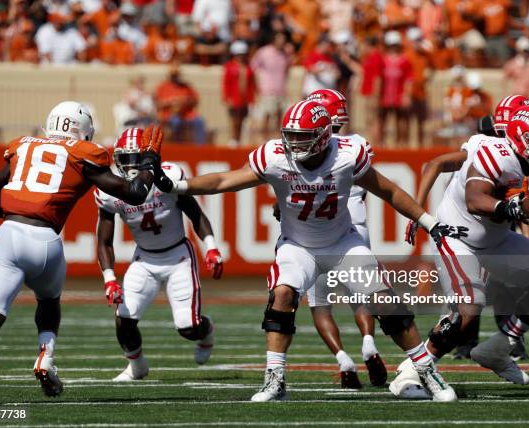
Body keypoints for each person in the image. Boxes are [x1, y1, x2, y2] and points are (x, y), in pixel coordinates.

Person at [153, 100, 469, 402]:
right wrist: (177, 186)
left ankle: (426, 371)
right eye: (290, 136)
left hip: (343, 243)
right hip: (297, 245)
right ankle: (274, 379)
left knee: (385, 302)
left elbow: (389, 191)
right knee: (282, 296)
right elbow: (225, 180)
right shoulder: (275, 156)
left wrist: (427, 220)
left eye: (301, 137)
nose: (293, 144)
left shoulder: (347, 155)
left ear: (322, 136)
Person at [0, 102, 162, 406]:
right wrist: (148, 166)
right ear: (84, 131)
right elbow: (134, 193)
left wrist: (17, 212)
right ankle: (46, 357)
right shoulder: (84, 153)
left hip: (11, 233)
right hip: (48, 241)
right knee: (49, 301)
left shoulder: (21, 147)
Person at [394, 104, 529, 396]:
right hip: (458, 236)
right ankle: (412, 370)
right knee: (468, 310)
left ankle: (499, 348)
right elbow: (474, 199)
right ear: (518, 137)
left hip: (495, 240)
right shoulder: (494, 153)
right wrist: (508, 206)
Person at [95, 127, 224, 381]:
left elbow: (194, 213)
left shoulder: (168, 176)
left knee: (188, 328)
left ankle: (206, 330)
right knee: (123, 317)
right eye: (125, 159)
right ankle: (137, 366)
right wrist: (109, 279)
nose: (130, 165)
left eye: (135, 159)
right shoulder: (110, 191)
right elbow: (104, 240)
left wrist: (211, 246)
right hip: (144, 258)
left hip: (178, 256)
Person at [303, 89, 387, 388]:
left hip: (316, 231)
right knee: (361, 298)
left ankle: (342, 358)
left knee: (320, 304)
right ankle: (367, 342)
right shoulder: (359, 145)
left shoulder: (309, 150)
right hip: (355, 231)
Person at [250, 32, 292, 141]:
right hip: (267, 89)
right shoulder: (264, 52)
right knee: (267, 115)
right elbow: (253, 68)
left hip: (281, 90)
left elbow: (287, 69)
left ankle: (278, 140)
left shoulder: (285, 54)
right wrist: (257, 87)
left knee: (279, 116)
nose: (281, 42)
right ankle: (264, 140)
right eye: (279, 39)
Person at [154, 62, 207, 144]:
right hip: (169, 115)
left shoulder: (186, 86)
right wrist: (170, 102)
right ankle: (178, 149)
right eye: (173, 75)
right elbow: (157, 103)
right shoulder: (163, 87)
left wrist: (185, 101)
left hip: (186, 114)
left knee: (200, 122)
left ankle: (199, 149)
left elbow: (195, 100)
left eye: (176, 74)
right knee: (177, 122)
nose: (175, 77)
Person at [377, 31, 413, 147]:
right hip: (384, 95)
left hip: (399, 95)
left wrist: (406, 95)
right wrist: (376, 95)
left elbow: (408, 79)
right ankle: (380, 145)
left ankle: (402, 144)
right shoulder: (382, 59)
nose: (393, 48)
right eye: (391, 45)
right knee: (381, 119)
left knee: (401, 120)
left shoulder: (405, 60)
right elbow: (378, 78)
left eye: (395, 45)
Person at [222, 40, 256, 146]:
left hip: (245, 98)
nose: (241, 57)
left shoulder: (248, 67)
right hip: (234, 98)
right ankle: (233, 139)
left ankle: (239, 139)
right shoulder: (229, 66)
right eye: (239, 55)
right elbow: (226, 83)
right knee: (234, 120)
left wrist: (252, 99)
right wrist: (227, 98)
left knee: (242, 120)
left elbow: (252, 84)